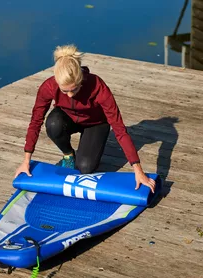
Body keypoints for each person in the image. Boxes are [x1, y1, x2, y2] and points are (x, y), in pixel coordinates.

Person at [15, 45, 156, 193]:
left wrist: (138, 171)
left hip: (95, 124)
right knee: (53, 123)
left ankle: (86, 149)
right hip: (67, 119)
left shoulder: (98, 86)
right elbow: (36, 121)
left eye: (74, 89)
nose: (70, 95)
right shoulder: (48, 87)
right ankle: (68, 154)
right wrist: (26, 161)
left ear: (81, 79)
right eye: (65, 90)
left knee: (85, 168)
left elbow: (119, 129)